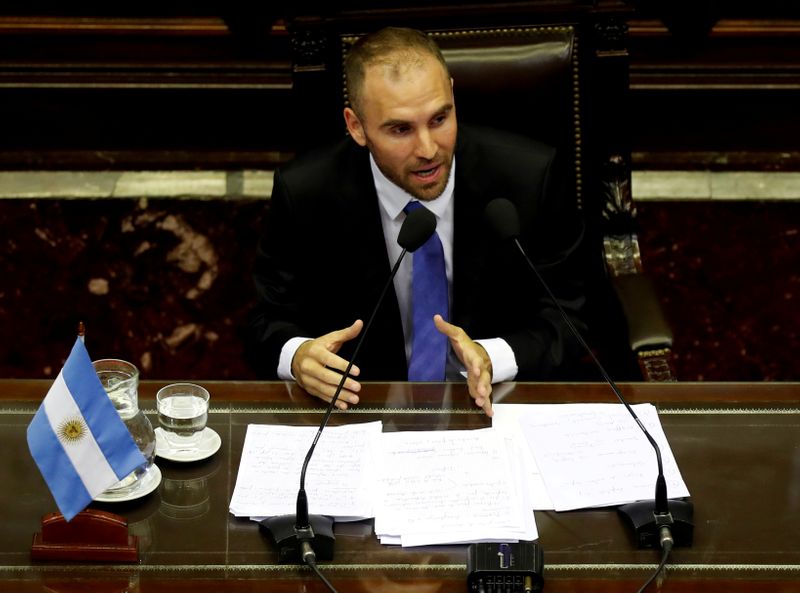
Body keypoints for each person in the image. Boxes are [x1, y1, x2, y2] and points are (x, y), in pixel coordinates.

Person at [249, 27, 585, 416]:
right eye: (401, 129)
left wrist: (493, 358)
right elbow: (264, 321)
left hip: (495, 412)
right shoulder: (307, 193)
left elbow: (570, 316)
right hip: (363, 414)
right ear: (356, 126)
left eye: (440, 118)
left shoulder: (528, 179)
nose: (428, 149)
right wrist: (297, 357)